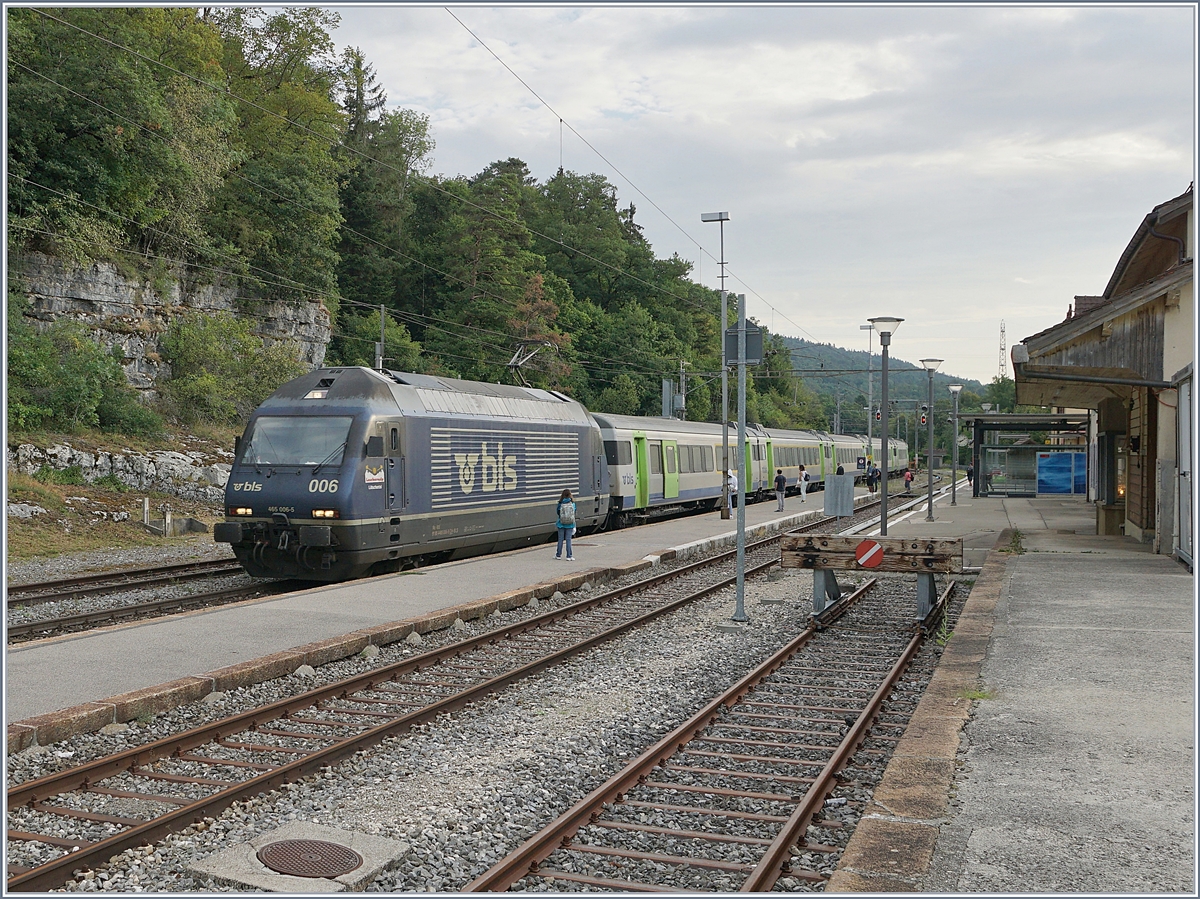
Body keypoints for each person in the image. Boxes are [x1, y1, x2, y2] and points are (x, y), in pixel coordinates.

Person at [555, 489, 576, 560]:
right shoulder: (572, 503)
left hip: (561, 523)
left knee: (560, 539)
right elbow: (574, 513)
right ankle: (569, 556)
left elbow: (558, 512)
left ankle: (558, 555)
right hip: (570, 524)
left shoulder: (560, 503)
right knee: (568, 540)